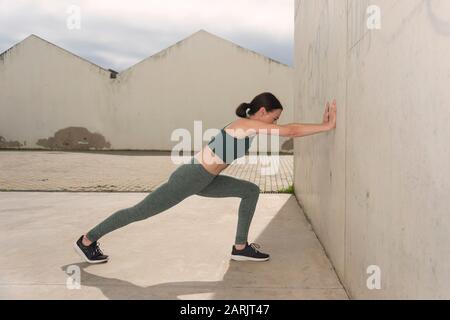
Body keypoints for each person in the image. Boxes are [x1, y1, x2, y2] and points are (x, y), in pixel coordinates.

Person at [74, 92, 337, 263]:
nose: (276, 123)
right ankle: (87, 240)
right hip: (191, 177)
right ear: (261, 112)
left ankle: (240, 247)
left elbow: (286, 129)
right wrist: (325, 126)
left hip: (205, 179)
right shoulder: (245, 125)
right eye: (274, 117)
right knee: (139, 211)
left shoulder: (248, 127)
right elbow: (290, 132)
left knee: (250, 190)